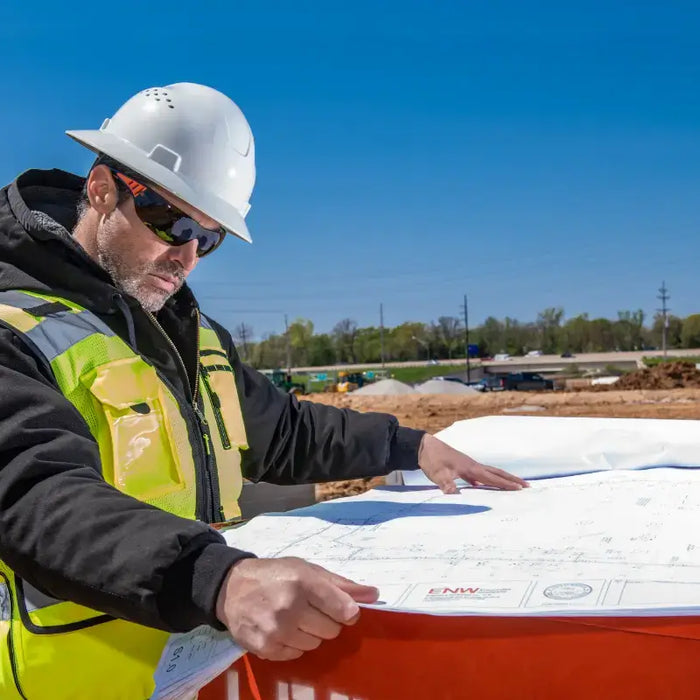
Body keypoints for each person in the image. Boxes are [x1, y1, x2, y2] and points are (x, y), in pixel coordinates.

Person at [0, 82, 527, 698]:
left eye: (210, 237)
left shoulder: (186, 335)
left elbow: (283, 432)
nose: (188, 256)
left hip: (191, 671)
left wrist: (411, 446)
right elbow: (37, 495)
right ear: (101, 189)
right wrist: (216, 579)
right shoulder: (14, 328)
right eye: (172, 222)